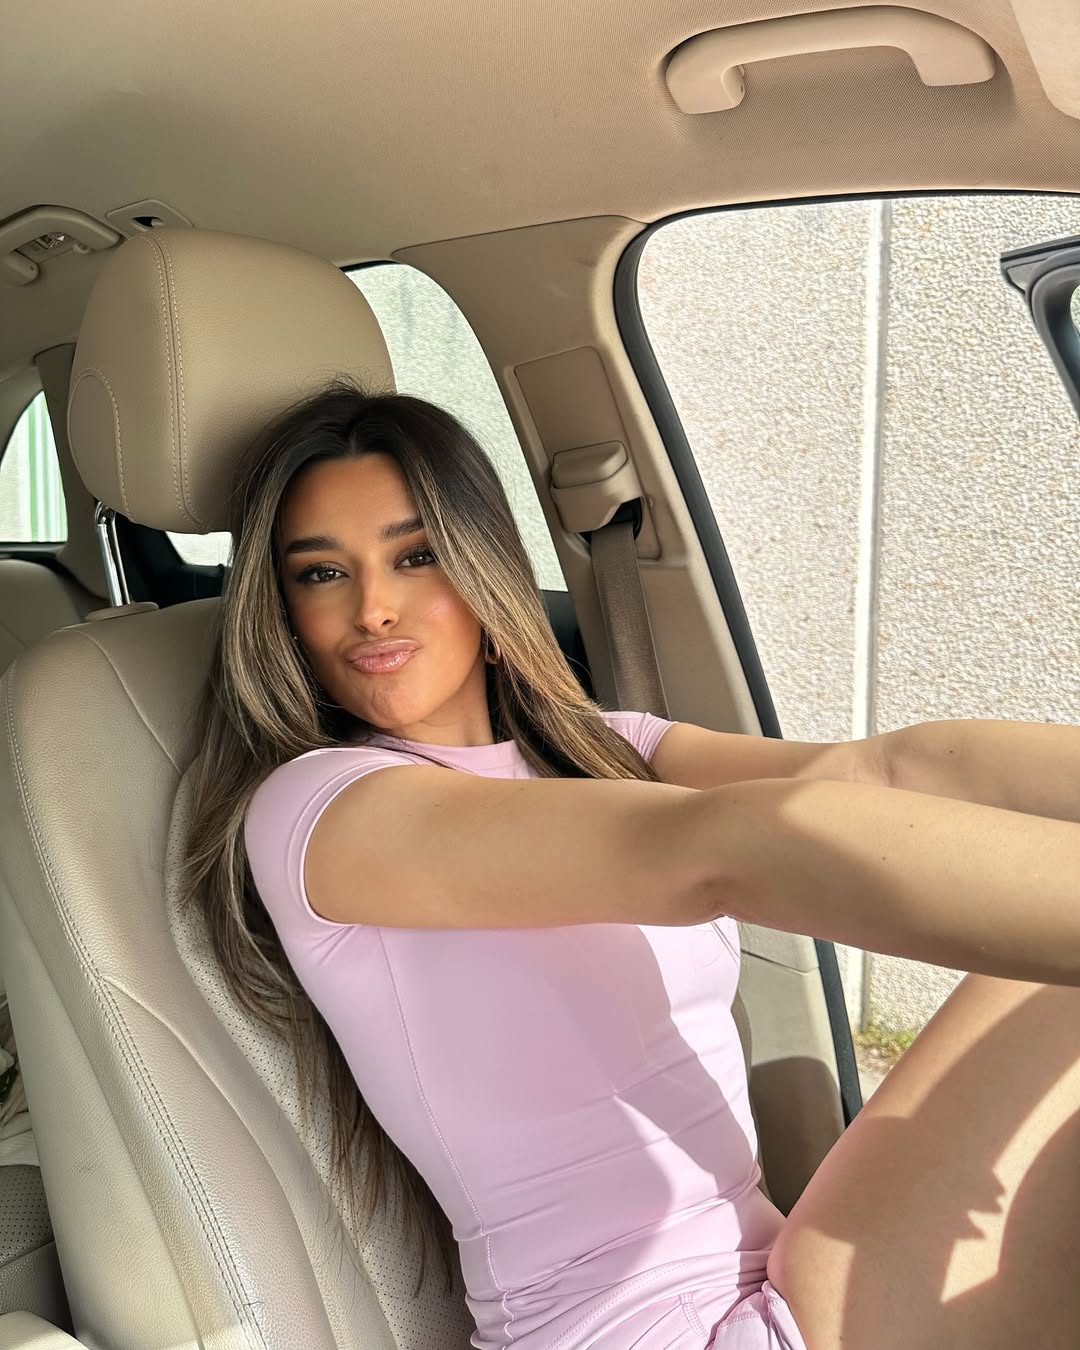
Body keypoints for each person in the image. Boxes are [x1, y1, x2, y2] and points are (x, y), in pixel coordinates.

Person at [184, 379, 1080, 1350]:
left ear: (485, 569)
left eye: (417, 555)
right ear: (284, 612)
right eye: (322, 573)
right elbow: (708, 848)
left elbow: (885, 770)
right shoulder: (324, 810)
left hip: (763, 1281)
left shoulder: (600, 748)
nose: (374, 609)